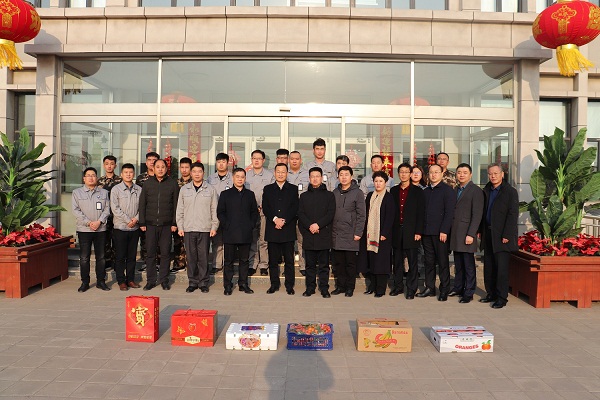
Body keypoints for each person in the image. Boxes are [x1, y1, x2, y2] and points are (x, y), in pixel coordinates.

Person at [480, 163, 519, 309]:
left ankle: (502, 297)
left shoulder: (510, 191)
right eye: (490, 174)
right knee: (489, 266)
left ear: (502, 174)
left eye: (496, 173)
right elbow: (483, 213)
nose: (493, 176)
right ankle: (491, 293)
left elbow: (513, 214)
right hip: (488, 233)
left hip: (502, 235)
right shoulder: (486, 190)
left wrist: (507, 234)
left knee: (501, 268)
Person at [177, 162, 219, 294]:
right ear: (191, 173)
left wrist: (214, 226)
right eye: (194, 171)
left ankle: (203, 282)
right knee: (191, 257)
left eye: (199, 171)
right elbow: (180, 210)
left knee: (203, 257)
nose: (197, 174)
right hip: (189, 228)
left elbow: (214, 210)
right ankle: (192, 282)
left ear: (203, 173)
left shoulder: (210, 189)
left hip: (205, 228)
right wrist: (180, 226)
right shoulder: (184, 190)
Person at [417, 164, 456, 301]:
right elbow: (422, 212)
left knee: (443, 262)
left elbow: (449, 213)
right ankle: (430, 288)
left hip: (441, 233)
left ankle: (444, 289)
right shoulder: (426, 191)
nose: (433, 175)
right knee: (429, 262)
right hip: (427, 232)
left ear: (442, 174)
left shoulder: (448, 191)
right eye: (431, 172)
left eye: (436, 172)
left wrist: (444, 230)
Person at [139, 159, 179, 291]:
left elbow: (176, 205)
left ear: (166, 169)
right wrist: (142, 222)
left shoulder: (172, 183)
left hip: (166, 225)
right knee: (150, 253)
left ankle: (164, 280)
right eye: (158, 167)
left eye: (163, 167)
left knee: (165, 253)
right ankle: (150, 280)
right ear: (153, 168)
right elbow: (142, 203)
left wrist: (174, 223)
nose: (160, 169)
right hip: (150, 224)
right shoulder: (147, 183)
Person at [218, 168, 259, 295]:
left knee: (244, 260)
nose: (240, 179)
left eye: (242, 177)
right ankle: (227, 285)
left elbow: (254, 212)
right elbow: (220, 212)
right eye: (237, 176)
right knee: (228, 261)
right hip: (230, 232)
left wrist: (251, 225)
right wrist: (226, 225)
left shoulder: (250, 194)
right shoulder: (225, 194)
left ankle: (243, 284)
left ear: (245, 179)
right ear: (233, 178)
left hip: (245, 232)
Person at [448, 163, 484, 304]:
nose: (461, 175)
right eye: (459, 172)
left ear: (470, 174)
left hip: (467, 233)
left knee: (468, 264)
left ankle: (469, 292)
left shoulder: (476, 191)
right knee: (458, 263)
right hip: (456, 232)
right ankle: (458, 287)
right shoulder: (456, 189)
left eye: (464, 172)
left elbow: (477, 214)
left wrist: (471, 233)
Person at [298, 167, 336, 298]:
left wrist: (318, 225)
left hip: (323, 233)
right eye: (312, 176)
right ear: (309, 178)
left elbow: (330, 214)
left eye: (317, 176)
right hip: (309, 234)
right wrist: (310, 226)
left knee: (324, 265)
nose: (315, 179)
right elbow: (301, 214)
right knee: (310, 265)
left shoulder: (329, 195)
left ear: (322, 178)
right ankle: (310, 288)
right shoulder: (304, 196)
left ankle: (324, 288)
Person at [72, 167, 111, 292]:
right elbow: (76, 211)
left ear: (97, 178)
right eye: (88, 175)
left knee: (101, 257)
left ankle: (101, 281)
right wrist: (89, 223)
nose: (91, 177)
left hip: (100, 229)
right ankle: (85, 282)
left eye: (93, 175)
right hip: (84, 230)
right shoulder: (77, 193)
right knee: (84, 257)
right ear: (84, 178)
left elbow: (107, 209)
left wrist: (99, 221)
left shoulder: (104, 193)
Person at [262, 163, 299, 295]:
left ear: (287, 173)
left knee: (289, 260)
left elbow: (295, 207)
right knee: (273, 260)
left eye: (283, 172)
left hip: (287, 229)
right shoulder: (268, 189)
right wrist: (275, 219)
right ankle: (274, 284)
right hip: (272, 228)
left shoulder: (293, 189)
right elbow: (265, 207)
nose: (281, 174)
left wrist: (284, 220)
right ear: (274, 173)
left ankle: (289, 285)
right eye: (278, 171)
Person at [390, 163, 425, 299]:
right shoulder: (393, 190)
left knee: (412, 262)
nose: (403, 174)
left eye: (406, 172)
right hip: (396, 231)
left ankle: (411, 289)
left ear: (410, 174)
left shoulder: (418, 191)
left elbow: (421, 213)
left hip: (412, 231)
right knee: (397, 261)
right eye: (401, 172)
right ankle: (398, 286)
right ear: (398, 174)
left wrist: (418, 232)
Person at [358, 171, 395, 297]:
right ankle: (372, 286)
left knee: (381, 263)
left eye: (381, 181)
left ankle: (380, 289)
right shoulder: (370, 196)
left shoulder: (389, 197)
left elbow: (390, 217)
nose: (378, 184)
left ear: (385, 182)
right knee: (371, 261)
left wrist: (384, 233)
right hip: (370, 234)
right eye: (376, 181)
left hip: (382, 236)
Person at [331, 166, 366, 297]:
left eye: (346, 174)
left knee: (350, 263)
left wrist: (358, 232)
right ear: (338, 177)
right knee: (339, 263)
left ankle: (350, 287)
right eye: (341, 174)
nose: (344, 177)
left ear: (351, 177)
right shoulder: (335, 192)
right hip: (337, 233)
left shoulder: (357, 193)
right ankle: (340, 286)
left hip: (351, 233)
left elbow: (362, 215)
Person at [110, 163, 141, 291]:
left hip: (134, 228)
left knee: (132, 256)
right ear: (121, 174)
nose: (128, 174)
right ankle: (121, 281)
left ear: (134, 174)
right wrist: (128, 220)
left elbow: (142, 207)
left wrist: (136, 219)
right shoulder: (116, 189)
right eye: (126, 172)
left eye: (131, 172)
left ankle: (131, 280)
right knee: (120, 256)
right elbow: (115, 208)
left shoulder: (139, 189)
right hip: (120, 228)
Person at [246, 149, 275, 276]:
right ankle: (252, 264)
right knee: (252, 239)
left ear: (263, 160)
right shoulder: (246, 175)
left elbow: (272, 194)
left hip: (265, 212)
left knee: (263, 239)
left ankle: (264, 264)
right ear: (251, 160)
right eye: (254, 158)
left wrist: (265, 205)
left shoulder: (270, 176)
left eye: (259, 158)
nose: (256, 161)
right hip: (249, 213)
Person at [207, 152, 233, 274]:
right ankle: (217, 264)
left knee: (229, 240)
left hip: (229, 214)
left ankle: (228, 263)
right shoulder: (210, 179)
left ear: (227, 163)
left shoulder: (233, 178)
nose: (221, 164)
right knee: (216, 241)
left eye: (223, 162)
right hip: (214, 214)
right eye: (219, 162)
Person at [135, 151, 160, 271]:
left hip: (159, 213)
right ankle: (146, 262)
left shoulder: (162, 176)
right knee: (145, 240)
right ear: (146, 162)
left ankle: (158, 263)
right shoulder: (141, 178)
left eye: (154, 160)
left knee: (158, 241)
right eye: (149, 160)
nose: (152, 162)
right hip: (145, 213)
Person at [97, 155, 122, 272]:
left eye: (112, 164)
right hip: (104, 216)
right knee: (105, 240)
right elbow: (97, 199)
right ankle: (107, 262)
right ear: (103, 165)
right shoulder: (99, 181)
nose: (109, 166)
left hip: (117, 216)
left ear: (115, 165)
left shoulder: (120, 181)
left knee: (117, 240)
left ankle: (117, 263)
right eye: (107, 164)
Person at [287, 150, 310, 276]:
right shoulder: (284, 174)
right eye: (292, 159)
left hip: (303, 212)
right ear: (289, 160)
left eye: (297, 159)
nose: (294, 161)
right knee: (289, 241)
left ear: (301, 161)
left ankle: (303, 265)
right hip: (288, 212)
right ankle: (289, 266)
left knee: (302, 240)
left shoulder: (307, 174)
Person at [171, 157, 193, 274]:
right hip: (178, 216)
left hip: (191, 216)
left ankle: (191, 264)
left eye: (187, 167)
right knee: (178, 242)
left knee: (191, 243)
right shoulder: (174, 183)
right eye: (182, 167)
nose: (184, 170)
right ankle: (179, 264)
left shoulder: (195, 182)